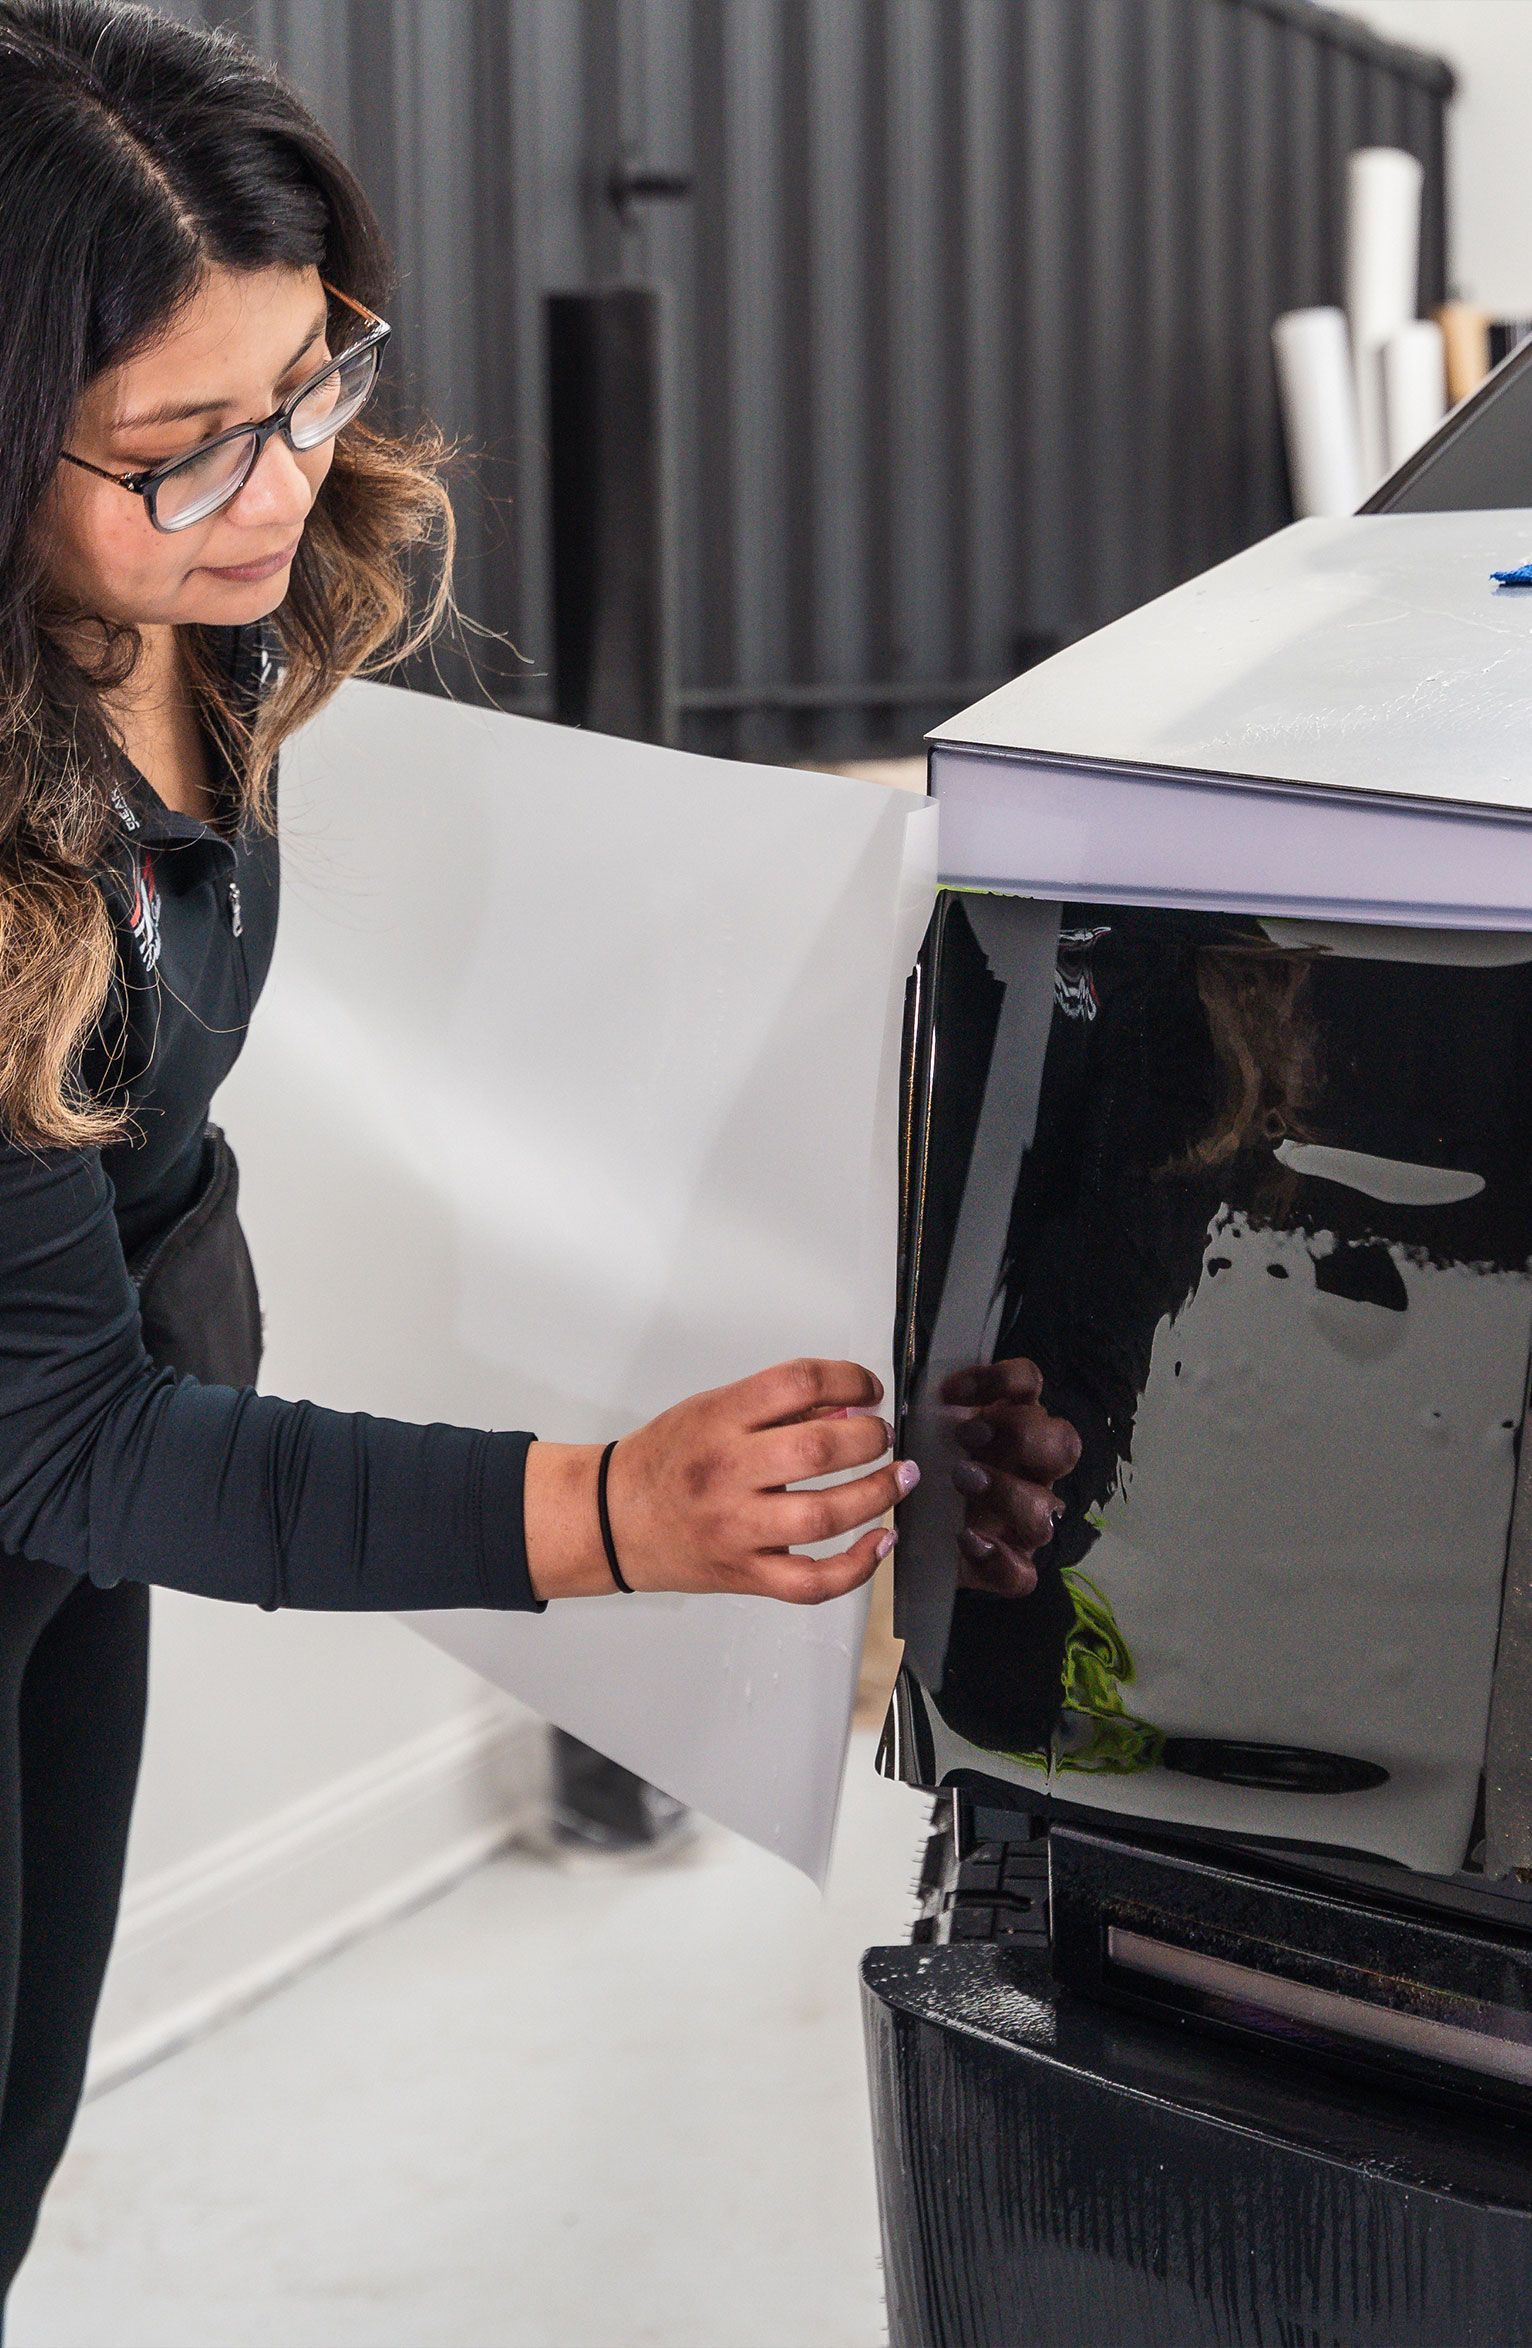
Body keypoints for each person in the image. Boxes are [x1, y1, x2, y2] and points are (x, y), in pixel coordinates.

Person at [0, 0, 1075, 2309]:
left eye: (304, 387)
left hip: (54, 1542)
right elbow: (67, 1425)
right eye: (180, 445)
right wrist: (605, 1510)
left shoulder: (211, 604)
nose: (274, 490)